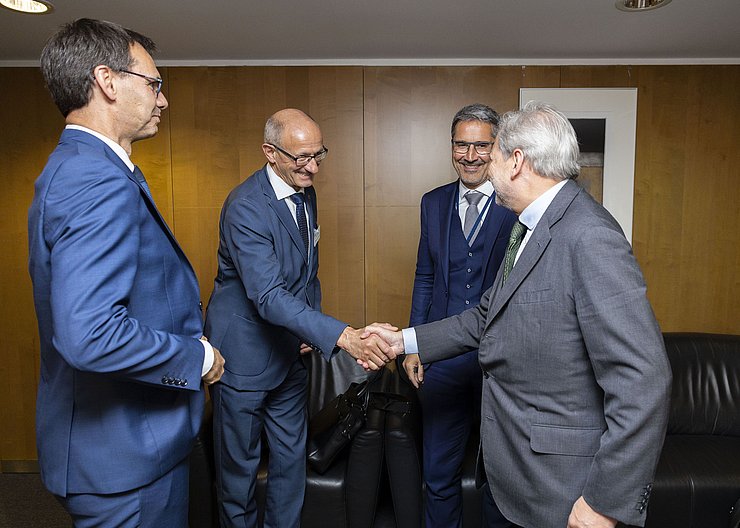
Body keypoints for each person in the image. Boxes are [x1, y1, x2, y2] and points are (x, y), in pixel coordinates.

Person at [366, 101, 672, 528]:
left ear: (516, 161)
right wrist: (403, 340)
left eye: (490, 157)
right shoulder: (529, 227)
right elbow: (484, 316)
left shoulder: (589, 235)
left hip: (559, 487)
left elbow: (643, 379)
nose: (482, 168)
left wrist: (606, 502)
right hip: (511, 472)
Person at [28, 18, 224, 527]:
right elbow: (90, 332)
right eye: (154, 84)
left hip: (121, 449)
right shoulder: (96, 179)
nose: (163, 100)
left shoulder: (81, 167)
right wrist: (195, 357)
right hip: (123, 460)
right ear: (107, 81)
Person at [203, 108, 396, 527]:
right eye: (300, 157)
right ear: (270, 153)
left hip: (291, 352)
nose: (312, 167)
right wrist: (342, 336)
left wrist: (308, 327)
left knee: (291, 461)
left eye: (318, 154)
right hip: (243, 357)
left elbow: (308, 274)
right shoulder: (245, 207)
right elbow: (268, 294)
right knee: (238, 470)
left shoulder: (304, 191)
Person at [406, 103, 516, 527]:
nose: (470, 155)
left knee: (501, 479)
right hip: (444, 360)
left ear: (499, 149)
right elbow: (425, 276)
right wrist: (415, 344)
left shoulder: (516, 204)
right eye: (461, 145)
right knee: (438, 474)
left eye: (482, 146)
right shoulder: (432, 203)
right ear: (451, 147)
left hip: (500, 362)